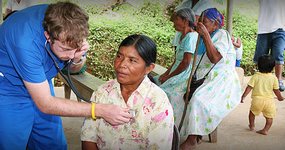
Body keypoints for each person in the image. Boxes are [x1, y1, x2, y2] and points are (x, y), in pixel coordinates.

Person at [0, 2, 132, 150]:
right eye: (65, 49)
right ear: (48, 36)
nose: (69, 55)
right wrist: (99, 110)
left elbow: (74, 68)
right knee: (11, 143)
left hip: (40, 81)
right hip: (9, 87)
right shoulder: (24, 40)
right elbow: (46, 103)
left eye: (74, 49)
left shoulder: (72, 28)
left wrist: (78, 59)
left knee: (53, 144)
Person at [81, 34, 174, 149]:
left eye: (132, 60)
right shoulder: (102, 92)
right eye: (119, 57)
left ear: (149, 68)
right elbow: (88, 138)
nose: (122, 65)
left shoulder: (158, 101)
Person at [179, 8, 242, 150]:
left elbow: (214, 58)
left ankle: (192, 139)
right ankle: (189, 132)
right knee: (178, 95)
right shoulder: (201, 37)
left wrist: (206, 35)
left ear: (215, 24)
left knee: (198, 100)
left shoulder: (222, 34)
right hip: (205, 77)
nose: (201, 24)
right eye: (200, 21)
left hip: (222, 79)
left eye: (205, 22)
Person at [153, 8, 198, 127]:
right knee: (155, 82)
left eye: (177, 19)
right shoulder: (181, 36)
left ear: (185, 21)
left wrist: (169, 77)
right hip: (176, 71)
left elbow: (185, 63)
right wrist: (166, 74)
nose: (174, 22)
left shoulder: (191, 37)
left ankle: (168, 125)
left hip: (184, 75)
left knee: (165, 92)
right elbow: (176, 61)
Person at [241, 54, 284, 135]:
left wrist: (243, 96)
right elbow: (276, 90)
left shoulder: (256, 76)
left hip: (257, 100)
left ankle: (252, 125)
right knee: (269, 117)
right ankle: (265, 130)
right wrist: (280, 97)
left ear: (258, 65)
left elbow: (249, 87)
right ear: (273, 67)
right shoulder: (274, 78)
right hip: (269, 101)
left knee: (252, 114)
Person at [253, 0, 285, 91]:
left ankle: (278, 80)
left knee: (278, 53)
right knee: (261, 56)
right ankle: (261, 80)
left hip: (280, 29)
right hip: (264, 29)